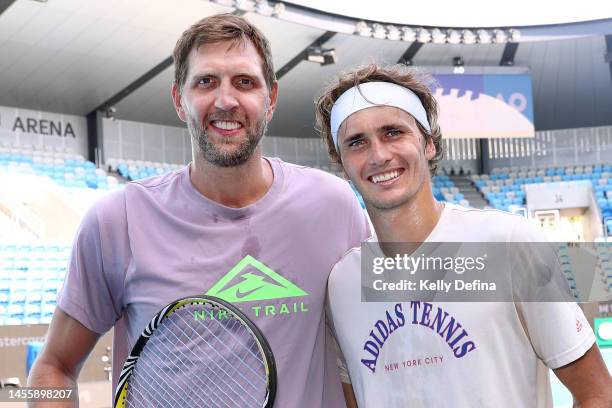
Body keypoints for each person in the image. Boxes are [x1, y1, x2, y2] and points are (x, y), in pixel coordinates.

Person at [28, 14, 369, 407]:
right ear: (179, 99)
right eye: (206, 82)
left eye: (245, 82)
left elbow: (384, 341)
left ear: (271, 98)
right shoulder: (116, 221)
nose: (226, 100)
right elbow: (51, 367)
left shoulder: (333, 205)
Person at [314, 63, 612, 407]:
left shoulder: (507, 243)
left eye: (393, 132)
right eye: (357, 142)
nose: (379, 155)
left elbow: (597, 392)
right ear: (342, 163)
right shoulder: (343, 282)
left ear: (427, 143)